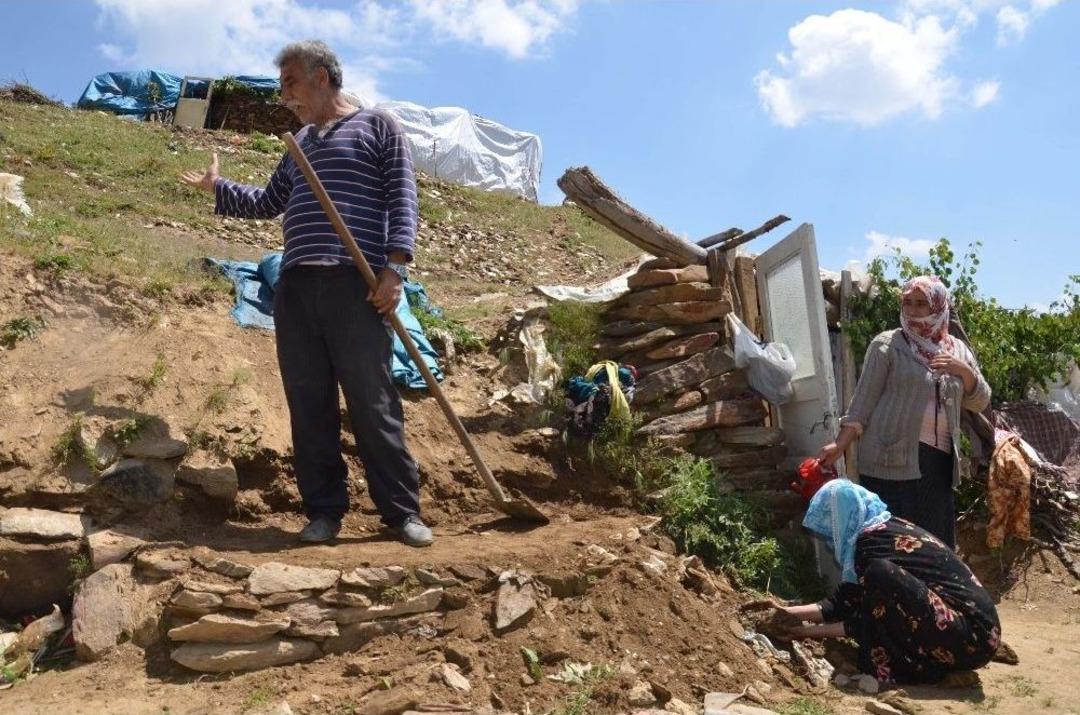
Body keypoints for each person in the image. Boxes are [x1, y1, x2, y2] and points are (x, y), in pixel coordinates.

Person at [180, 40, 432, 547]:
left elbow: (403, 197)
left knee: (372, 399)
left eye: (290, 82)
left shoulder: (377, 125)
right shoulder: (299, 143)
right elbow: (271, 201)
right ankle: (323, 512)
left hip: (353, 284)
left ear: (322, 77)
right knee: (308, 401)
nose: (284, 95)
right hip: (296, 287)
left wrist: (395, 269)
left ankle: (402, 512)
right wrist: (220, 188)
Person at [818, 276, 990, 548]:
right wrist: (840, 445)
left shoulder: (957, 350)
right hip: (890, 461)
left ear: (939, 306)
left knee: (935, 546)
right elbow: (862, 403)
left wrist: (964, 371)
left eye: (921, 303)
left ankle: (931, 593)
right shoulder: (887, 345)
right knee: (893, 545)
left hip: (938, 463)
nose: (912, 310)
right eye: (908, 302)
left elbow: (980, 401)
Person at [776, 480, 1000, 685]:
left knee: (879, 575)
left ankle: (926, 671)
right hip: (978, 635)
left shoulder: (870, 546)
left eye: (829, 524)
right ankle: (941, 666)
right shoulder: (880, 532)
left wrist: (806, 632)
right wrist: (787, 612)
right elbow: (844, 601)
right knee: (876, 580)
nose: (829, 536)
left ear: (843, 517)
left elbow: (865, 618)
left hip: (972, 638)